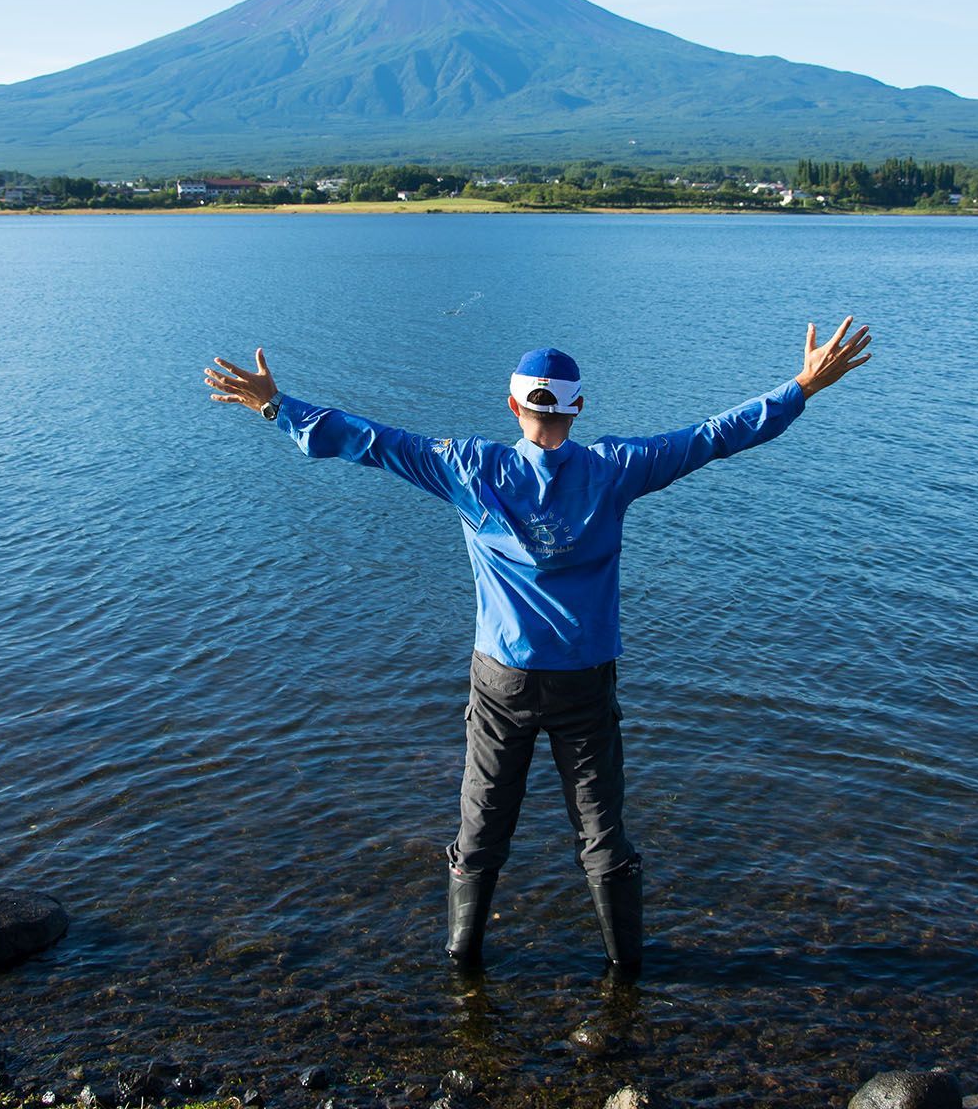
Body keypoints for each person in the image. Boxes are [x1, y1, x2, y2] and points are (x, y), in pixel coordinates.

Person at [204, 317, 872, 980]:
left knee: (483, 825)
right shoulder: (617, 469)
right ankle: (625, 972)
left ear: (513, 404)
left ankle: (463, 963)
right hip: (584, 682)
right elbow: (712, 438)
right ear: (577, 406)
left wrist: (274, 406)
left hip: (501, 683)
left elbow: (370, 441)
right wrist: (802, 387)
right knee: (601, 831)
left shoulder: (470, 467)